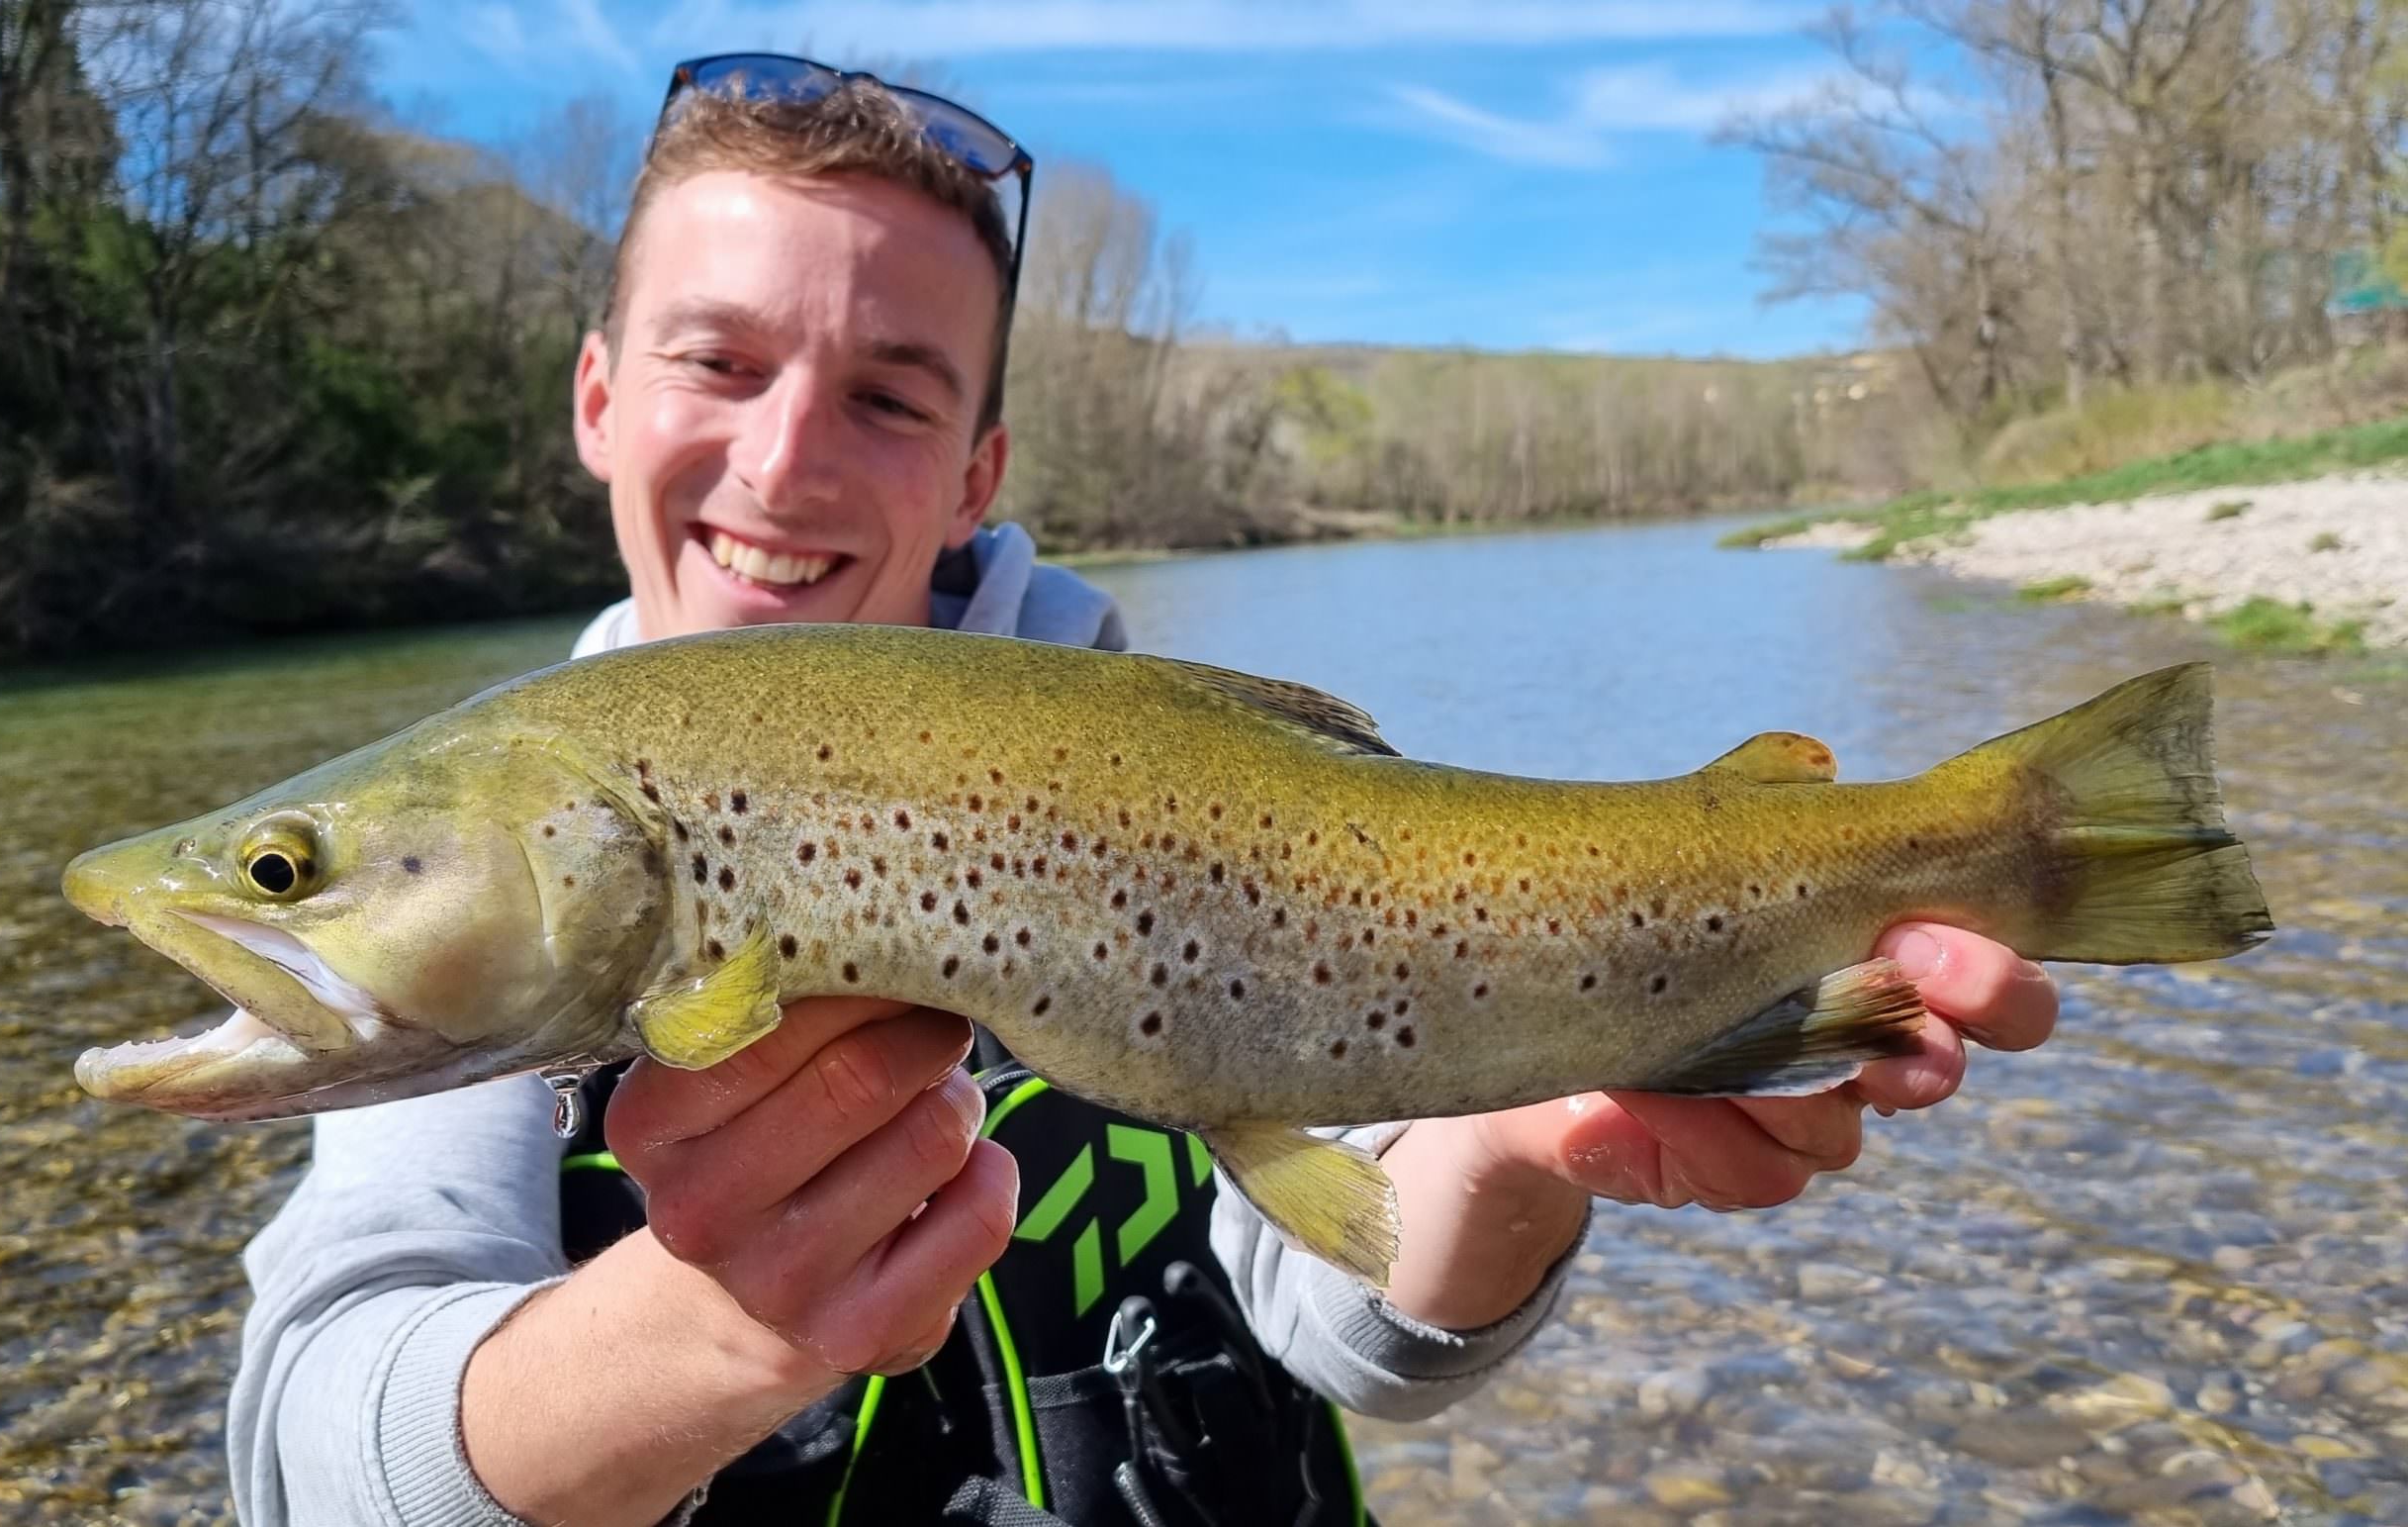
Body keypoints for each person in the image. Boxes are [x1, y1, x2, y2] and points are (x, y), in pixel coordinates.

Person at [225, 55, 2064, 1527]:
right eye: (720, 360)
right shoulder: (500, 823)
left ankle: (2034, 836)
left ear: (981, 467)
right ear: (600, 400)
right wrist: (715, 1323)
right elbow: (309, 1457)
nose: (783, 461)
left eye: (891, 392)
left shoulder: (1169, 774)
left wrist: (1515, 1137)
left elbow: (1349, 1318)